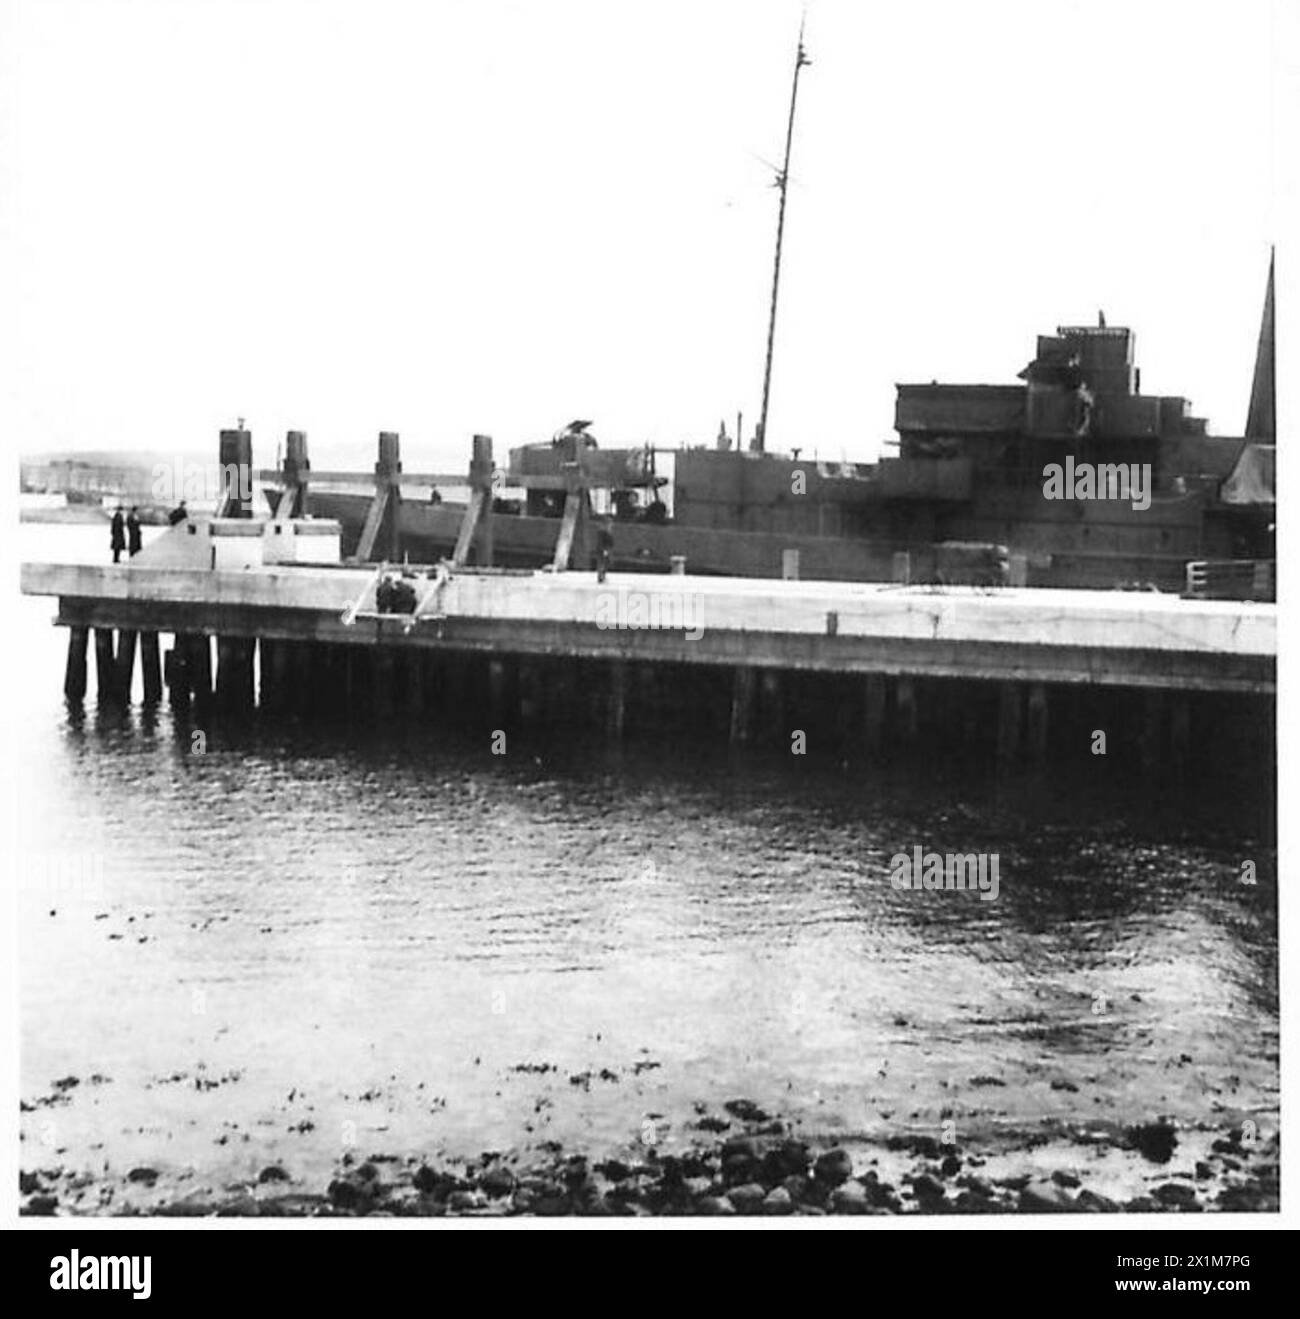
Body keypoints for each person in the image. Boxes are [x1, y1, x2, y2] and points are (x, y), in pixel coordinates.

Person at [595, 516, 614, 584]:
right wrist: (604, 550)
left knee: (606, 562)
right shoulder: (602, 531)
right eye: (610, 522)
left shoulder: (608, 530)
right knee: (602, 563)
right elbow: (601, 541)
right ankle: (601, 577)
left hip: (607, 549)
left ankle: (603, 576)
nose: (611, 524)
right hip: (603, 549)